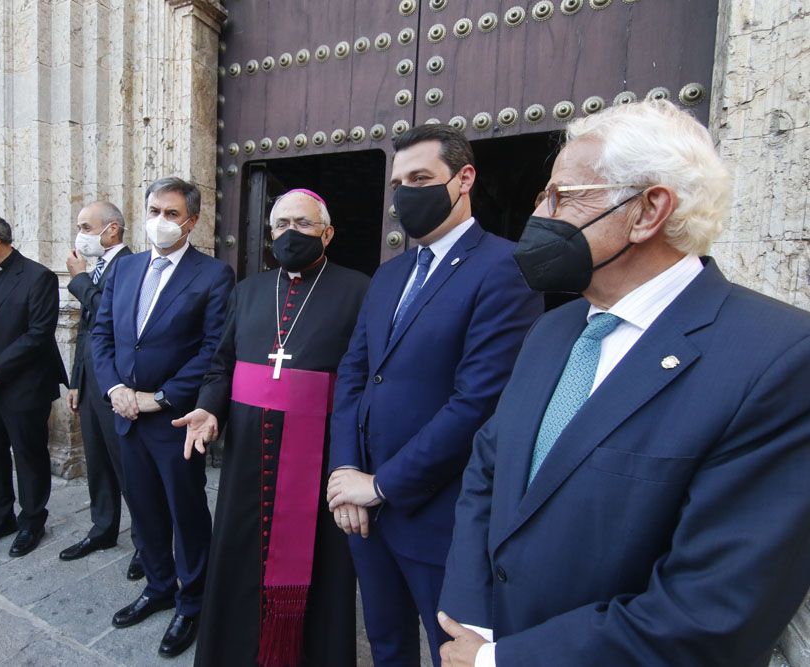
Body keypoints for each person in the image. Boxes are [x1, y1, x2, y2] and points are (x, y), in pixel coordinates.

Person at [437, 100, 810, 667]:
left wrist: (505, 660)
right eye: (544, 195)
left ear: (648, 210)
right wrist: (470, 621)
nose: (541, 214)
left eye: (563, 196)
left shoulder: (778, 358)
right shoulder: (552, 329)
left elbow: (713, 610)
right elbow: (489, 468)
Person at [327, 125, 543, 666]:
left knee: (451, 651)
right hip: (364, 509)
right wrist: (345, 476)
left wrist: (381, 486)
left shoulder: (506, 268)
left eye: (420, 178)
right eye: (399, 183)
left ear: (463, 178)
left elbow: (479, 404)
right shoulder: (389, 274)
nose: (406, 195)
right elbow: (353, 376)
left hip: (438, 516)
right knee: (385, 642)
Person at [176, 189, 369, 667]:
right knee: (241, 554)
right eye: (280, 224)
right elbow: (220, 365)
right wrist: (209, 409)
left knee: (318, 564)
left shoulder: (360, 290)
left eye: (302, 224)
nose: (289, 234)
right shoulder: (249, 291)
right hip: (247, 452)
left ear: (327, 233)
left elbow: (363, 376)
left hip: (318, 450)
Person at [90, 177, 234, 658]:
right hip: (125, 414)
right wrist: (115, 389)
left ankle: (193, 601)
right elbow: (102, 334)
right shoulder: (125, 268)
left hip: (174, 420)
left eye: (172, 214)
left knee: (186, 511)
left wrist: (161, 397)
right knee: (145, 508)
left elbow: (213, 350)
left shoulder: (213, 275)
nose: (161, 221)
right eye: (155, 210)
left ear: (192, 221)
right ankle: (158, 586)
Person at [0, 211, 68, 558]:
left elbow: (37, 335)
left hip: (24, 387)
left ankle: (32, 521)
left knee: (29, 456)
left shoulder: (39, 277)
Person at [59, 201, 143, 579]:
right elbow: (86, 330)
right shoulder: (97, 267)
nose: (79, 233)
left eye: (85, 226)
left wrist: (78, 280)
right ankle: (103, 527)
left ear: (111, 230)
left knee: (127, 466)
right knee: (98, 462)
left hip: (119, 384)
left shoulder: (131, 266)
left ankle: (146, 540)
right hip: (91, 382)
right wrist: (76, 381)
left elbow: (112, 315)